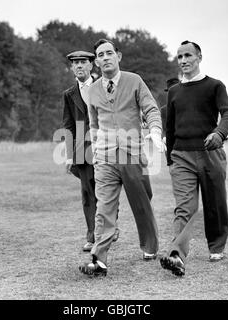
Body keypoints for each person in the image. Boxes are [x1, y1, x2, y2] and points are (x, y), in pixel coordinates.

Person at [78, 39, 165, 277]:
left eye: (109, 53)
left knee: (142, 202)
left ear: (118, 56)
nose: (105, 58)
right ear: (96, 62)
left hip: (131, 153)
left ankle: (150, 245)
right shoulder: (93, 90)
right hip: (105, 157)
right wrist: (95, 151)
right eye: (100, 55)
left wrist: (155, 131)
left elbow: (151, 109)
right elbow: (94, 124)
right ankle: (99, 258)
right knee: (104, 207)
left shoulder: (134, 81)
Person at [161, 41, 228, 276]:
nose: (183, 60)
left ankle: (216, 245)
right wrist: (170, 160)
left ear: (199, 57)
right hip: (181, 155)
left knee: (214, 203)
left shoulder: (215, 86)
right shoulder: (174, 91)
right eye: (179, 56)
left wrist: (219, 133)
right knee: (185, 207)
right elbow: (170, 128)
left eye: (188, 55)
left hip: (210, 153)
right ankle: (177, 254)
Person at [63, 50, 119, 252]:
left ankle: (110, 227)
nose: (78, 66)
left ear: (91, 65)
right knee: (88, 194)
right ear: (71, 68)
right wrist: (70, 154)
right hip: (82, 150)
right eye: (75, 63)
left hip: (106, 145)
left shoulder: (105, 86)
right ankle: (92, 235)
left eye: (82, 62)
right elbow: (69, 126)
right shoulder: (69, 95)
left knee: (107, 191)